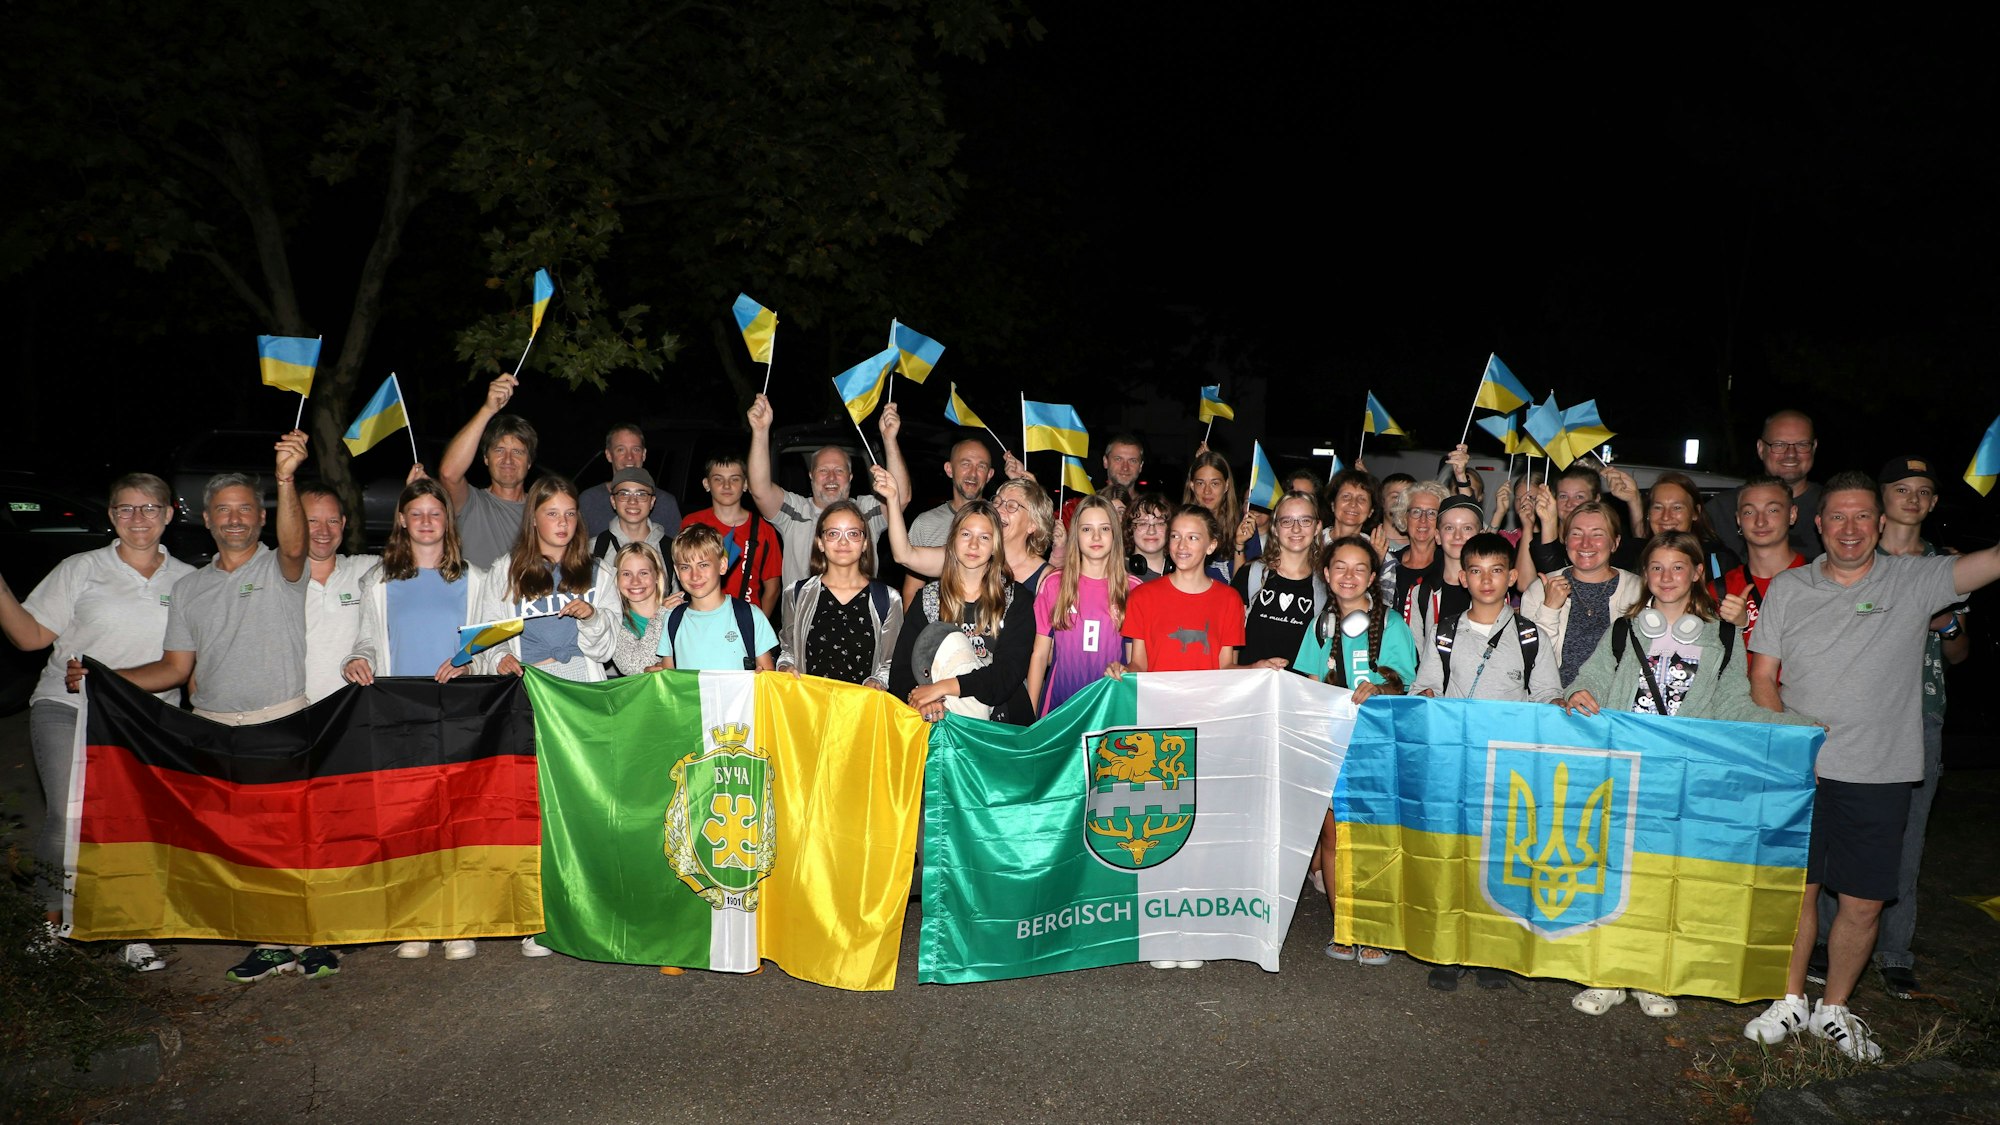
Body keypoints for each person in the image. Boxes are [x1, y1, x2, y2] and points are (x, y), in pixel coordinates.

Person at [1742, 471, 2000, 1062]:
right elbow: (1762, 678)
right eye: (1837, 516)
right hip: (1800, 774)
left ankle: (1834, 1009)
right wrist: (1788, 744)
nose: (1850, 528)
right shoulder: (1789, 587)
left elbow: (1989, 563)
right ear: (1818, 523)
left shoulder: (1916, 579)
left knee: (1861, 901)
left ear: (1881, 523)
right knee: (1796, 896)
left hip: (1879, 772)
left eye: (1862, 516)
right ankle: (1789, 999)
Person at [72, 434, 338, 983]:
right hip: (215, 728)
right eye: (224, 510)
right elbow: (173, 667)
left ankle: (311, 938)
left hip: (281, 720)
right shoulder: (189, 590)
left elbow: (296, 546)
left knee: (292, 838)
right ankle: (267, 941)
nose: (235, 519)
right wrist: (104, 677)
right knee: (240, 844)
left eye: (246, 509)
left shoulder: (279, 570)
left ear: (262, 518)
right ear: (206, 519)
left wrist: (286, 478)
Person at [1563, 531, 1817, 1019]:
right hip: (1624, 773)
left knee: (1665, 879)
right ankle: (1607, 974)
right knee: (1614, 873)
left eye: (1678, 567)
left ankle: (1655, 977)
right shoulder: (1624, 628)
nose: (1666, 577)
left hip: (1680, 778)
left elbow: (1732, 706)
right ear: (1645, 574)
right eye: (1656, 567)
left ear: (1698, 572)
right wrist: (1579, 694)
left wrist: (1798, 729)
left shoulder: (1721, 636)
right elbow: (1590, 676)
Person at [0, 472, 195, 972]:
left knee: (134, 824)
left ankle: (130, 929)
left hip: (147, 718)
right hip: (68, 706)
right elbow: (29, 638)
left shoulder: (189, 580)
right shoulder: (80, 568)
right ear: (111, 516)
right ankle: (49, 927)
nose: (138, 518)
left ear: (169, 514)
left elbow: (191, 665)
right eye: (125, 508)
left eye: (149, 508)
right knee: (69, 816)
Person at [1807, 458, 1972, 1004]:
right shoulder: (1835, 563)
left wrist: (1947, 623)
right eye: (1903, 488)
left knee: (1900, 841)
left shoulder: (1939, 566)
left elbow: (1959, 651)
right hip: (1842, 719)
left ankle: (1895, 952)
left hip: (1917, 712)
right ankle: (1826, 946)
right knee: (1826, 844)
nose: (1914, 499)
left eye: (1925, 491)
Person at [341, 478, 500, 961]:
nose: (427, 521)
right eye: (418, 513)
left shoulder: (476, 578)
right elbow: (367, 640)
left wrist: (471, 662)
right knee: (409, 818)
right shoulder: (378, 580)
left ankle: (458, 921)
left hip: (458, 713)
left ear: (447, 521)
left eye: (436, 512)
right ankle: (415, 920)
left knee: (457, 816)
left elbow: (490, 647)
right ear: (402, 521)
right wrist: (355, 660)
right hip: (399, 714)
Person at [1411, 531, 1560, 988]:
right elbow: (1424, 686)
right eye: (1475, 570)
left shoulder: (1532, 635)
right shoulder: (1446, 632)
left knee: (1499, 860)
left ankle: (1490, 951)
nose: (1487, 579)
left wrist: (1557, 708)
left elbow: (1547, 692)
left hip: (1508, 768)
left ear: (1513, 577)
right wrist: (1428, 696)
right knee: (1454, 856)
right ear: (1462, 576)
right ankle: (1449, 951)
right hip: (1457, 764)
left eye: (1497, 570)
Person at [1109, 503, 1244, 972]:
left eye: (1192, 538)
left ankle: (1197, 927)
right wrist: (1124, 671)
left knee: (1201, 830)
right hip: (1158, 729)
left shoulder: (1228, 600)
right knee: (1163, 827)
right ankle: (1163, 927)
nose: (1182, 546)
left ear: (1211, 545)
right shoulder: (1144, 597)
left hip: (1207, 726)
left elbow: (1226, 669)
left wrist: (1259, 674)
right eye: (1176, 537)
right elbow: (1141, 662)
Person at [1293, 534, 1416, 955]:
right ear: (1326, 574)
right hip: (1331, 746)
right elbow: (1308, 684)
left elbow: (1408, 683)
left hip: (1377, 747)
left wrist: (1380, 687)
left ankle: (1375, 927)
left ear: (1372, 577)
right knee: (1332, 838)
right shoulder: (1320, 625)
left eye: (1359, 568)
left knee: (1372, 836)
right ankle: (1344, 924)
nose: (1348, 575)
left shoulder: (1393, 624)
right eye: (1339, 567)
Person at [887, 501, 1035, 724]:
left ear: (995, 545)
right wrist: (923, 698)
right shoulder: (928, 599)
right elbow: (901, 669)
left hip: (1002, 726)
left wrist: (941, 688)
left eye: (984, 537)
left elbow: (1007, 675)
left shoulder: (1016, 599)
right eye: (966, 534)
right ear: (953, 540)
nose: (973, 545)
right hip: (942, 722)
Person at [746, 393, 910, 589]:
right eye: (823, 470)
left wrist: (889, 439)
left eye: (839, 471)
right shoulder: (795, 511)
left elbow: (900, 498)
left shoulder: (866, 511)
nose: (831, 477)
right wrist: (760, 431)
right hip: (804, 618)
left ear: (850, 477)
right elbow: (760, 490)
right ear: (811, 476)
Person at [485, 476, 616, 690]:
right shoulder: (505, 570)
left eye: (570, 513)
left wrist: (592, 618)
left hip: (583, 682)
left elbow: (605, 651)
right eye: (552, 513)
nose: (563, 522)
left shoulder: (600, 573)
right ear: (534, 518)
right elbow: (489, 629)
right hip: (530, 683)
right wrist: (500, 656)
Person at [1027, 496, 1138, 715]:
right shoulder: (1054, 583)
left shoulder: (1133, 589)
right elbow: (1039, 656)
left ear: (1115, 534)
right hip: (1060, 705)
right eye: (1087, 529)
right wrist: (1029, 717)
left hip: (1110, 708)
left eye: (1104, 528)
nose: (1096, 536)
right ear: (1075, 535)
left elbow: (1136, 662)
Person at [775, 501, 903, 688]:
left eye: (853, 533)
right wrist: (785, 667)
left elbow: (892, 662)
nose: (843, 542)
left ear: (865, 543)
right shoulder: (796, 593)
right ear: (820, 542)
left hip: (861, 710)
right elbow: (788, 651)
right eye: (833, 533)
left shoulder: (888, 599)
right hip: (810, 707)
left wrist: (877, 681)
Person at [879, 469, 1056, 599]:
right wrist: (893, 500)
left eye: (1011, 506)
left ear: (1033, 524)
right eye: (997, 501)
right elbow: (904, 555)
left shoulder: (1047, 579)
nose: (999, 510)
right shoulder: (968, 555)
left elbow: (1050, 645)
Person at [1519, 501, 1642, 686]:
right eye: (1576, 534)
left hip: (1614, 707)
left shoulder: (1639, 591)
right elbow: (1528, 661)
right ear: (1565, 539)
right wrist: (1549, 608)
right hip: (1554, 703)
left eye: (1597, 534)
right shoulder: (1539, 590)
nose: (1585, 543)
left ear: (1615, 543)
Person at [649, 524, 778, 673]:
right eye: (685, 567)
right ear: (677, 572)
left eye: (703, 565)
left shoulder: (749, 615)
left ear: (722, 565)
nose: (695, 575)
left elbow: (768, 676)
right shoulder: (672, 620)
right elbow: (670, 679)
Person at [439, 373, 538, 567]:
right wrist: (487, 409)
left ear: (529, 462)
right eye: (499, 450)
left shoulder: (543, 511)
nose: (508, 459)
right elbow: (448, 474)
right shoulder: (471, 503)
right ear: (485, 458)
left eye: (517, 451)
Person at [1704, 409, 1824, 560]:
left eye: (1802, 444)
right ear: (1761, 449)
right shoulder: (1720, 510)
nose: (1791, 453)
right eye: (1779, 445)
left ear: (1813, 448)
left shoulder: (1834, 508)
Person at [299, 485, 380, 704]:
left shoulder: (366, 569)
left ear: (343, 524)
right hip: (294, 714)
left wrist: (413, 495)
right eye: (312, 521)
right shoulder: (276, 579)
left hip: (354, 711)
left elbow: (415, 558)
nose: (324, 531)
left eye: (332, 521)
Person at [1232, 491, 1324, 674]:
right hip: (1250, 691)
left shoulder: (1326, 586)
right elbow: (1228, 652)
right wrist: (1249, 670)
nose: (1296, 529)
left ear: (1317, 527)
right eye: (1287, 521)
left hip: (1297, 697)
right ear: (1275, 528)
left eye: (1305, 520)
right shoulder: (1250, 575)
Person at [1714, 475, 1806, 654]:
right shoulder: (1720, 591)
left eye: (1772, 510)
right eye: (1749, 512)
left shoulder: (1820, 579)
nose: (1760, 521)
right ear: (1739, 519)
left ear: (1792, 514)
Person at [680, 455, 781, 614]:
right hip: (702, 617)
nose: (726, 486)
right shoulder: (692, 523)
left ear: (746, 484)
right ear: (707, 484)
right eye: (718, 479)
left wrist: (759, 627)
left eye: (734, 479)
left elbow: (773, 588)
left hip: (745, 619)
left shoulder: (763, 529)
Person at [904, 437, 996, 603]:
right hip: (940, 623)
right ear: (949, 469)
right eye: (966, 464)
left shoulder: (1001, 522)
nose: (973, 474)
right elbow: (913, 589)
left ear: (989, 475)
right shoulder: (925, 523)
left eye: (981, 466)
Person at [579, 422, 681, 538]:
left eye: (636, 449)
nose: (629, 457)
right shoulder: (589, 500)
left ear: (644, 454)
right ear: (608, 455)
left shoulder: (666, 503)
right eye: (621, 450)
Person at [1516, 465, 1604, 588]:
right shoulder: (1535, 541)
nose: (1569, 504)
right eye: (1563, 496)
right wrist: (1528, 526)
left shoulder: (1598, 543)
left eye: (1579, 497)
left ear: (1596, 499)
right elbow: (1524, 585)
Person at [1382, 481, 1448, 632]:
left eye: (1432, 513)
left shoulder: (1449, 566)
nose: (1423, 520)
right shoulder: (1388, 564)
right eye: (1416, 512)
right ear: (1404, 517)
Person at [1644, 471, 1738, 575]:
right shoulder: (1635, 558)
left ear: (1695, 513)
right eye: (1658, 507)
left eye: (1677, 508)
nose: (1666, 517)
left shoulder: (1720, 562)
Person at [606, 541, 676, 679]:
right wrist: (661, 616)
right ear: (617, 578)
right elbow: (632, 667)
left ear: (657, 576)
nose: (635, 581)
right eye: (626, 574)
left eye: (643, 573)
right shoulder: (616, 623)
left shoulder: (679, 611)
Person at [1059, 433, 1147, 527]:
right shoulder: (1078, 508)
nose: (1125, 467)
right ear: (1105, 461)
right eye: (1118, 459)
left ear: (1140, 466)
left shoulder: (1150, 510)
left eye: (1132, 461)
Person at [588, 466, 672, 562]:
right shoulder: (594, 550)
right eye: (624, 494)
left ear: (652, 502)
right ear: (613, 501)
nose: (632, 501)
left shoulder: (670, 551)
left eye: (641, 494)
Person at [1183, 450, 1244, 580]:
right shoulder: (1180, 524)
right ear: (1192, 485)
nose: (1207, 491)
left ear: (1226, 485)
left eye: (1215, 483)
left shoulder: (1243, 526)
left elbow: (1246, 586)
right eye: (1200, 483)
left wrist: (1239, 546)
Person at [1125, 493, 1172, 583]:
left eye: (1159, 523)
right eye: (1143, 523)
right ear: (1130, 529)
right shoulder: (1116, 574)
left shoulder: (1183, 575)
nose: (1151, 531)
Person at [1377, 473, 1416, 551]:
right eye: (1395, 497)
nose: (1402, 502)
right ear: (1382, 501)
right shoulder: (1369, 541)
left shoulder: (1423, 546)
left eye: (1408, 497)